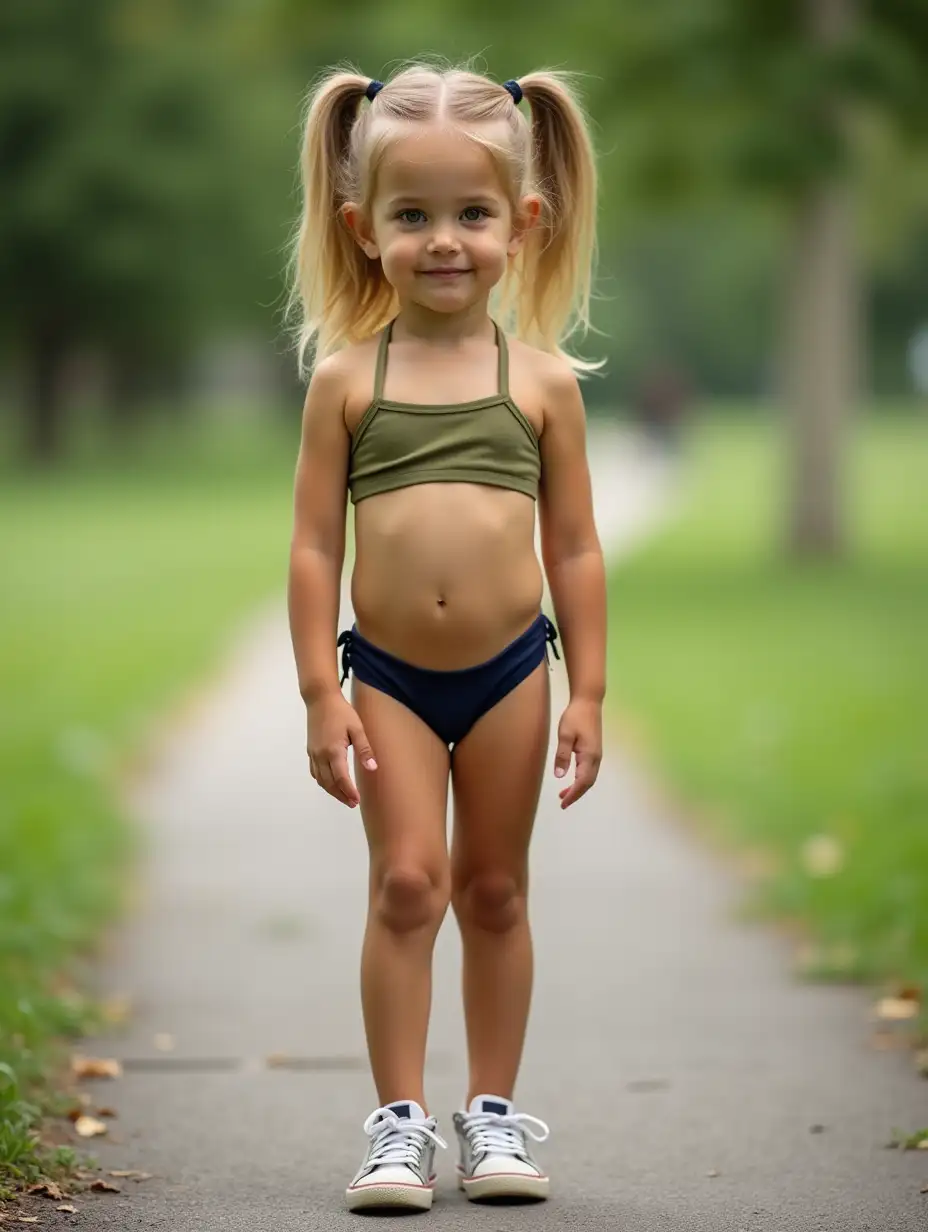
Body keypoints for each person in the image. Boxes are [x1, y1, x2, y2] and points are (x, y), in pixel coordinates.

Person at [285, 62, 607, 1213]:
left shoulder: (542, 383)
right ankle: (399, 1123)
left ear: (522, 222)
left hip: (515, 671)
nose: (442, 242)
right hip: (391, 680)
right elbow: (316, 548)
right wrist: (321, 694)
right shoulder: (343, 383)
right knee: (409, 882)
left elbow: (573, 547)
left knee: (496, 890)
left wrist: (588, 691)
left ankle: (495, 1116)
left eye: (470, 213)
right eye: (411, 216)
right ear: (362, 227)